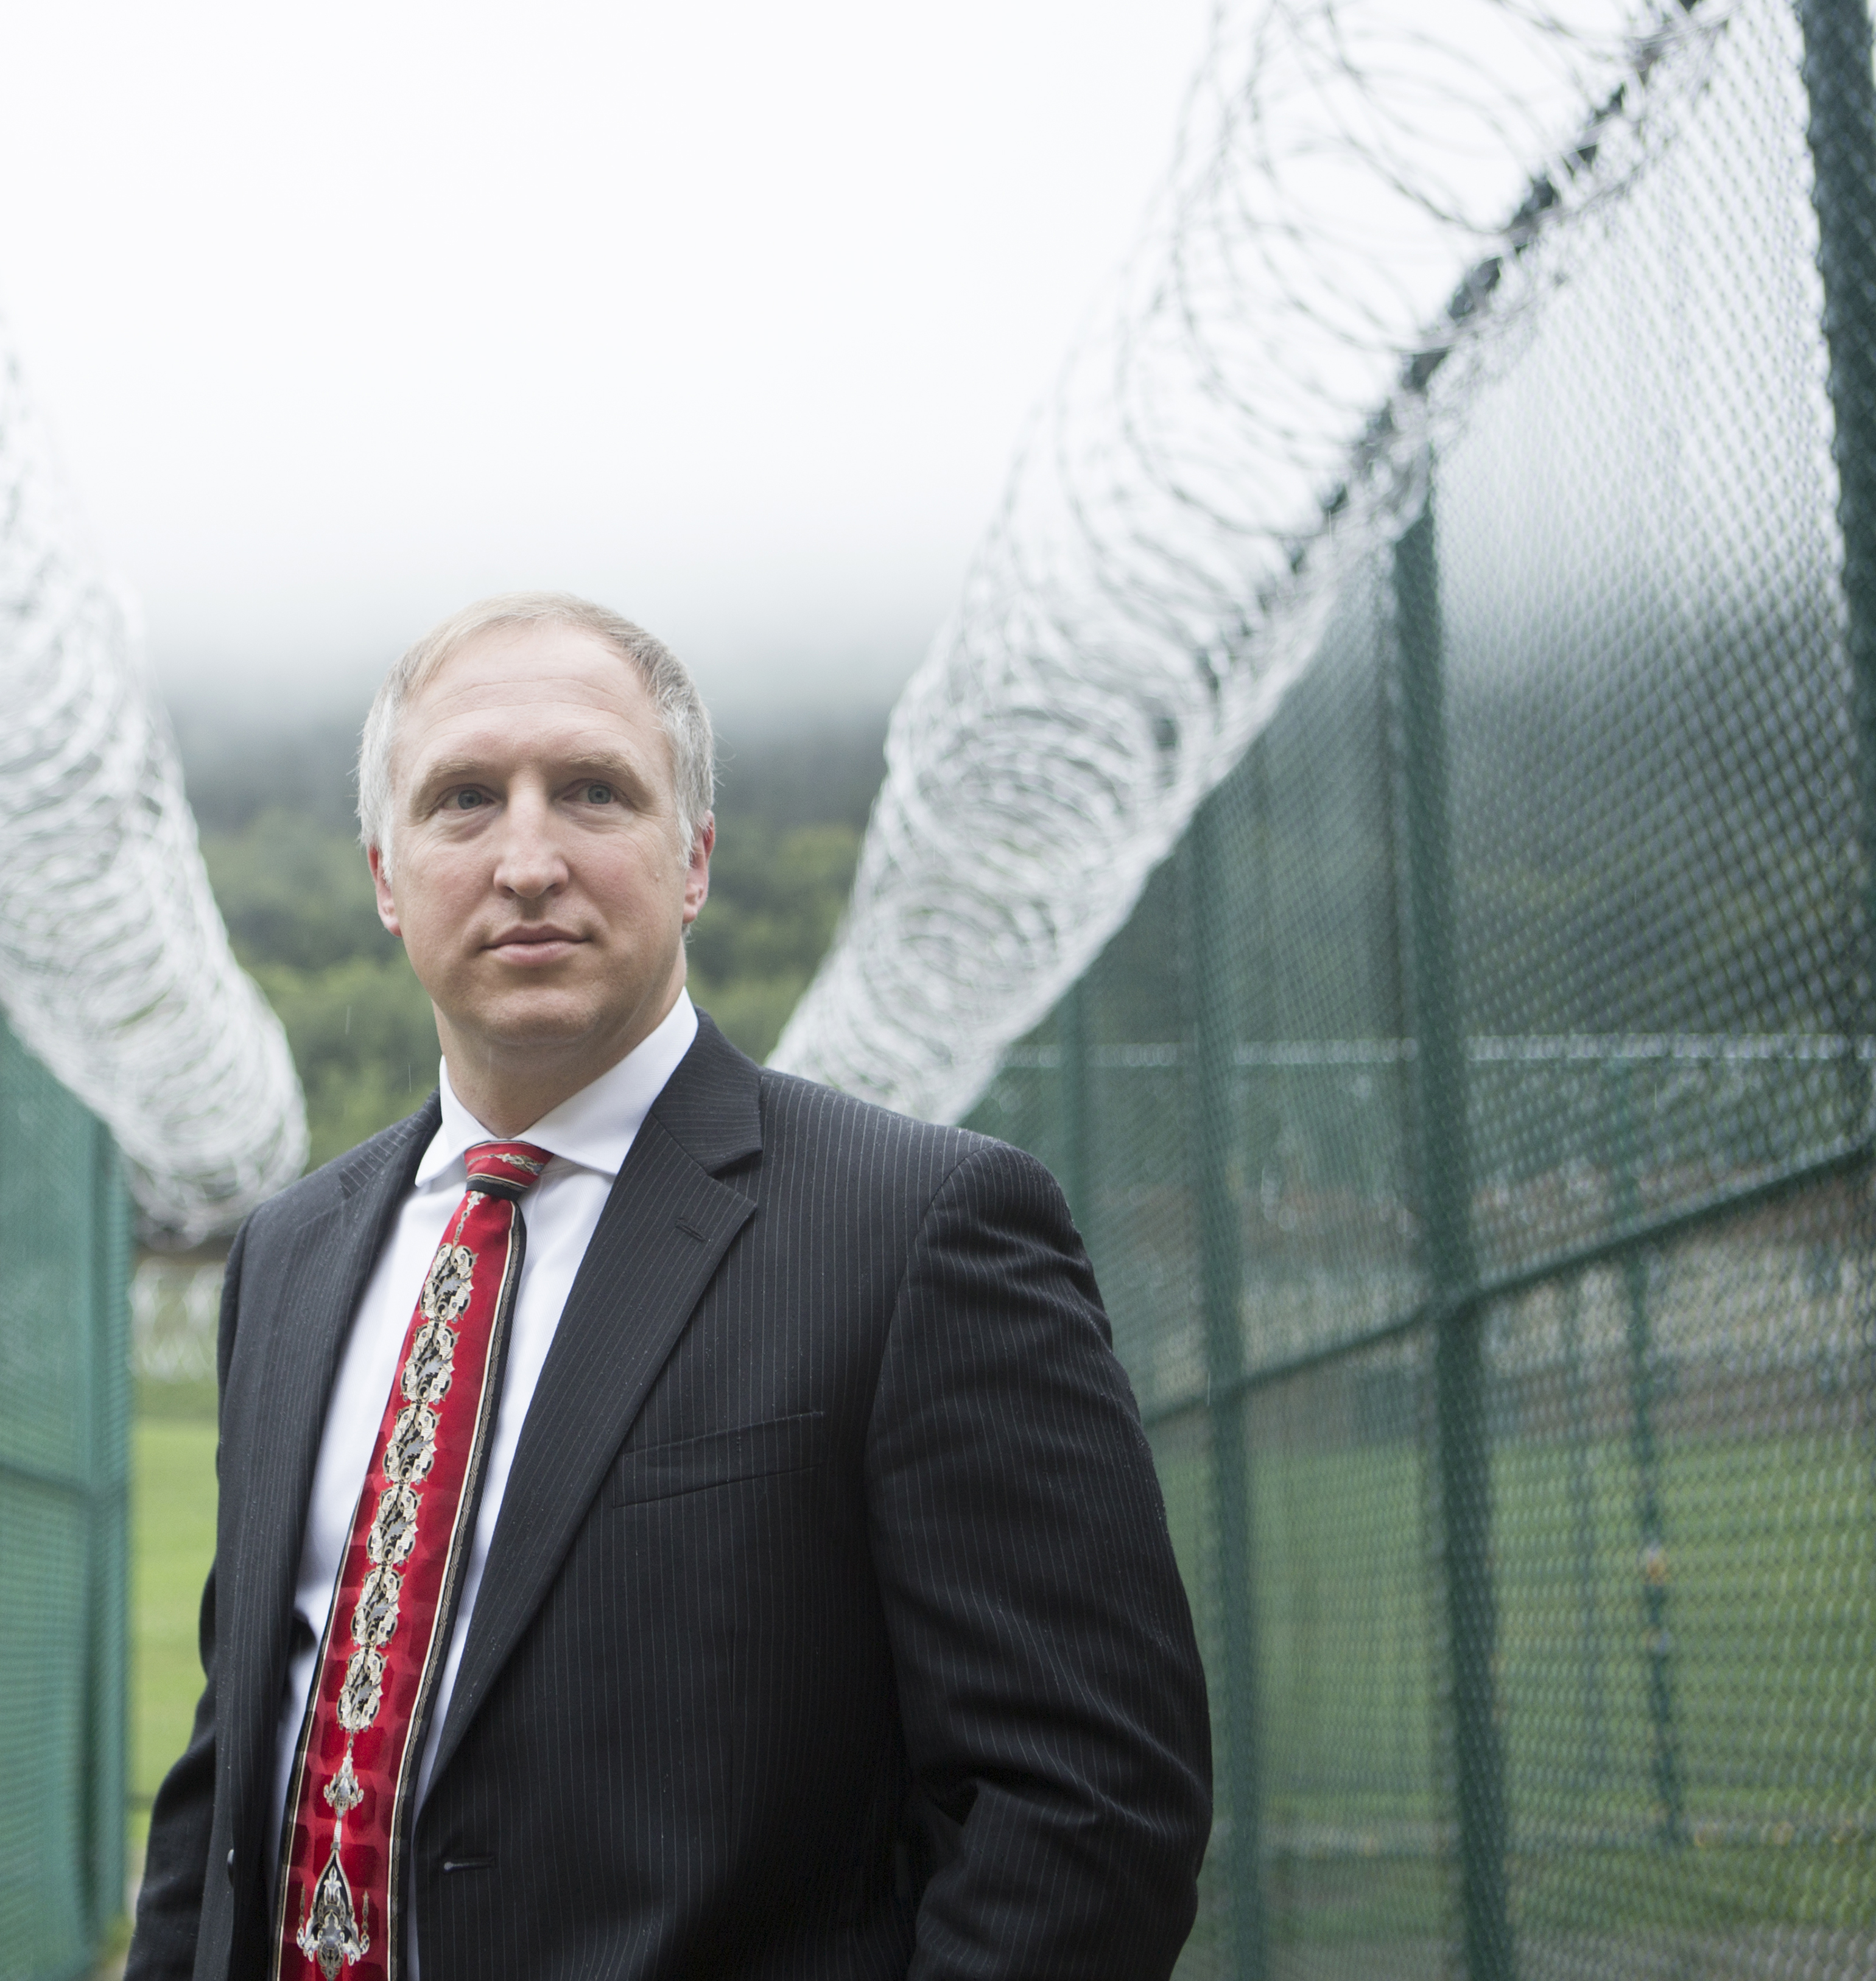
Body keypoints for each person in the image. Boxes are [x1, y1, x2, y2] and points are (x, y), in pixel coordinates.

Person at [129, 593, 1209, 1981]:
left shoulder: (918, 1232)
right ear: (389, 877)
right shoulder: (290, 1257)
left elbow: (1089, 1807)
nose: (528, 859)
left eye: (592, 792)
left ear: (692, 858)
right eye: (464, 799)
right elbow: (234, 1771)